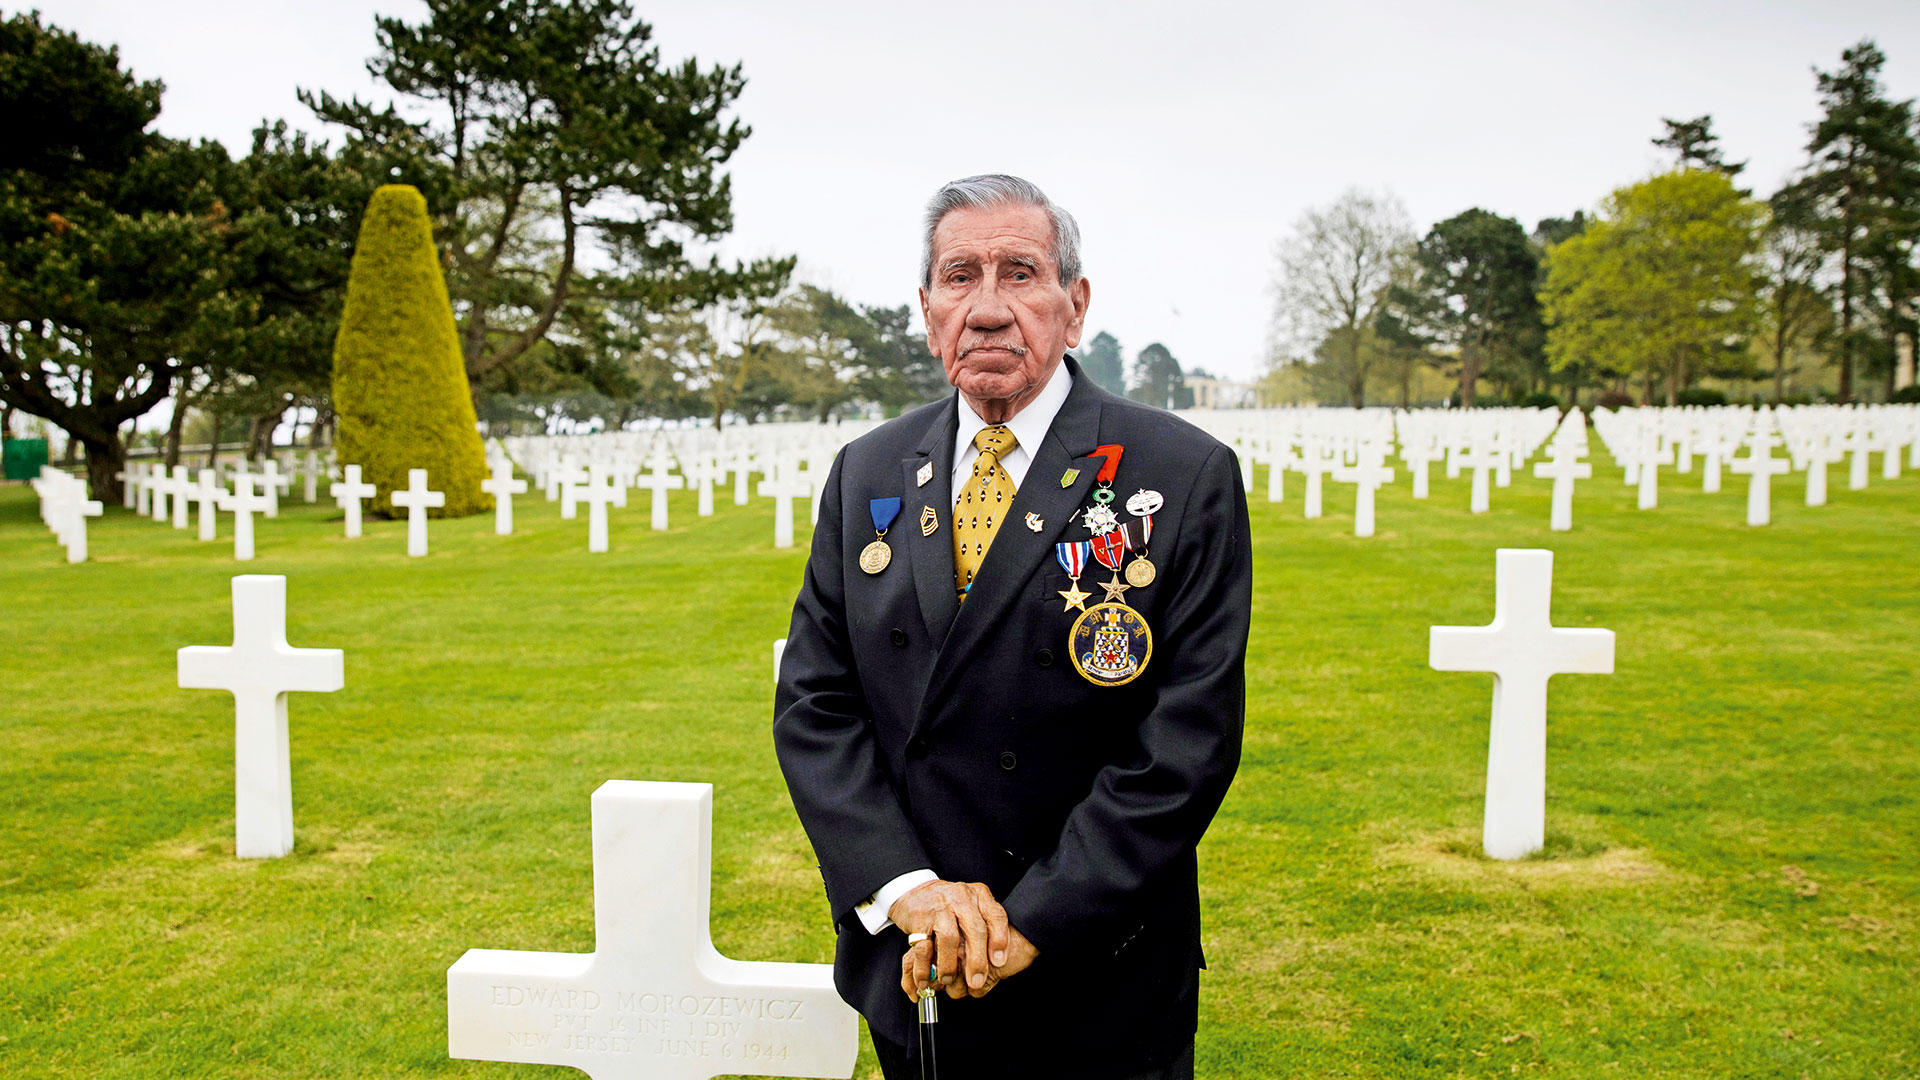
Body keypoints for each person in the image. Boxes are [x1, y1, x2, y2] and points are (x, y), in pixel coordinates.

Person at [774, 174, 1249, 1079]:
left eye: (1020, 273)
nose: (987, 309)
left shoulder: (1181, 475)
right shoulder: (868, 471)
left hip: (1100, 967)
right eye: (960, 277)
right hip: (917, 959)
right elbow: (814, 703)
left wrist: (1031, 922)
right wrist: (907, 889)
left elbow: (1186, 742)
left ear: (1075, 306)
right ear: (927, 312)